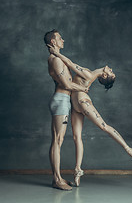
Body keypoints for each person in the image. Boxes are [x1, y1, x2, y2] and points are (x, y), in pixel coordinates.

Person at [48, 46, 132, 187]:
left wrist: (57, 54)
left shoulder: (88, 74)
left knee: (104, 126)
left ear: (104, 76)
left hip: (82, 102)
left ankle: (128, 148)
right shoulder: (89, 73)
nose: (111, 69)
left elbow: (70, 63)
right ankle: (78, 171)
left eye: (111, 73)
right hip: (75, 105)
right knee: (76, 137)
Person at [44, 29, 89, 191]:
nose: (63, 40)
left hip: (64, 101)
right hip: (61, 100)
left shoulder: (59, 58)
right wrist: (83, 89)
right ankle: (56, 179)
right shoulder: (55, 60)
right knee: (58, 140)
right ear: (53, 42)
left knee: (58, 139)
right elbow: (67, 84)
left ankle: (58, 177)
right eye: (60, 38)